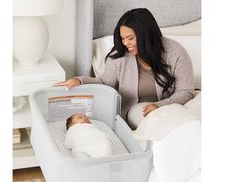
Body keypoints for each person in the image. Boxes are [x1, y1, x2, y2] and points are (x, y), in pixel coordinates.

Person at [55, 8, 194, 128]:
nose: (125, 43)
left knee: (186, 124)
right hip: (137, 110)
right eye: (123, 38)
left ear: (146, 35)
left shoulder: (175, 52)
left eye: (130, 38)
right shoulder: (119, 56)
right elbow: (106, 83)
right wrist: (79, 81)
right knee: (156, 124)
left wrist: (160, 106)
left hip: (170, 107)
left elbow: (185, 91)